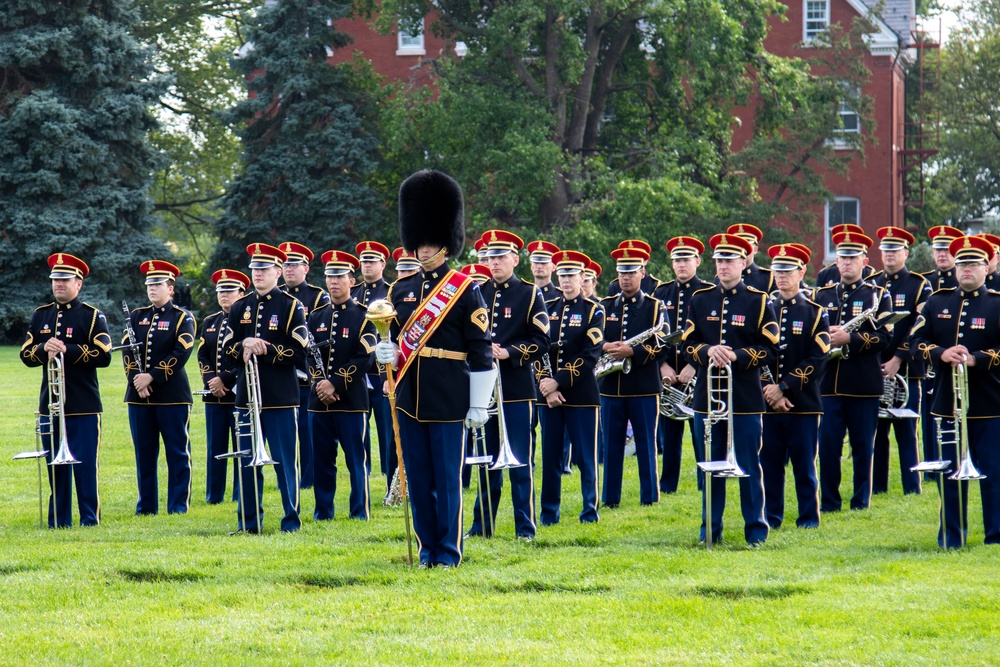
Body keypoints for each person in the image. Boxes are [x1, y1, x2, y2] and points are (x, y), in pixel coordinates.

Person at [376, 170, 493, 568]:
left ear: (445, 242)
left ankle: (449, 551)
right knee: (419, 481)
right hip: (409, 397)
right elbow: (391, 341)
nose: (422, 250)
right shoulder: (400, 290)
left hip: (448, 396)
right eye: (418, 243)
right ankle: (427, 549)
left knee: (447, 481)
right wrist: (384, 355)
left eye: (429, 243)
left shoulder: (465, 287)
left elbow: (481, 350)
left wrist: (479, 404)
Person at [682, 233, 778, 546]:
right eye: (719, 261)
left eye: (729, 260)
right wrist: (708, 351)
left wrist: (736, 355)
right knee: (710, 464)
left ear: (743, 262)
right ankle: (709, 530)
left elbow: (770, 348)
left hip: (746, 397)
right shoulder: (700, 299)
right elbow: (686, 344)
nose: (723, 266)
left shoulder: (759, 301)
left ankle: (756, 532)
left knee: (749, 465)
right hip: (707, 398)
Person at [910, 234, 1000, 547]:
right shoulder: (937, 301)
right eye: (962, 263)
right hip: (948, 402)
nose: (966, 269)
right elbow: (914, 342)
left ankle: (996, 536)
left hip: (989, 403)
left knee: (994, 475)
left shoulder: (997, 303)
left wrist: (979, 359)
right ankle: (952, 536)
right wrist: (939, 353)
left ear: (987, 267)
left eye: (974, 263)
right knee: (949, 474)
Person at [464, 230, 549, 540]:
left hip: (515, 389)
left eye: (500, 256)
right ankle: (482, 525)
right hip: (483, 389)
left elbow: (541, 341)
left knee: (519, 461)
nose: (494, 262)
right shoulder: (477, 292)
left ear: (515, 259)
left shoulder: (529, 294)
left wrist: (508, 352)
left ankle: (525, 527)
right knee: (487, 460)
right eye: (489, 256)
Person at [222, 243, 309, 533]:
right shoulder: (239, 306)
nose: (257, 274)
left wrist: (264, 348)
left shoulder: (290, 306)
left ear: (278, 271)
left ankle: (291, 522)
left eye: (264, 269)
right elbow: (226, 351)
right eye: (254, 269)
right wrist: (243, 344)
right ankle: (249, 523)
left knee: (285, 463)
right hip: (247, 397)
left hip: (280, 397)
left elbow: (299, 352)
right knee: (247, 463)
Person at [20, 253, 112, 527]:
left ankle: (89, 519)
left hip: (84, 405)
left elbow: (104, 355)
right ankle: (58, 520)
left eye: (65, 279)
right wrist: (42, 349)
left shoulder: (92, 316)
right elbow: (26, 355)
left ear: (78, 283)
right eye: (55, 279)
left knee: (84, 467)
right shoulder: (41, 315)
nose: (58, 284)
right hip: (51, 404)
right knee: (55, 467)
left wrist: (67, 350)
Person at [813, 231, 892, 512]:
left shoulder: (877, 296)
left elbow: (884, 337)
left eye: (852, 257)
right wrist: (825, 336)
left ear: (864, 261)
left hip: (863, 384)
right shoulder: (820, 295)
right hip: (828, 385)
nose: (846, 263)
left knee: (863, 447)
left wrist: (850, 339)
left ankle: (861, 501)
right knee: (828, 447)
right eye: (842, 257)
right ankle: (830, 503)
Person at [759, 243, 829, 529]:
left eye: (787, 270)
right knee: (770, 465)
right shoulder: (764, 308)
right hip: (767, 402)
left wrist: (784, 388)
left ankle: (808, 519)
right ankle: (772, 518)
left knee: (804, 466)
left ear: (801, 272)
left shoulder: (815, 312)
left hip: (803, 403)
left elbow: (819, 357)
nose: (781, 276)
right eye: (777, 270)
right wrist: (769, 390)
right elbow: (758, 352)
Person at [537, 250, 605, 525]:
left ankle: (589, 512)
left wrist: (559, 381)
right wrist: (548, 387)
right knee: (551, 458)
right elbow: (538, 349)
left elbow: (591, 354)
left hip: (582, 395)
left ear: (582, 277)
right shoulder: (547, 308)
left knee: (585, 458)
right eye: (562, 275)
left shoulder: (594, 310)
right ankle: (548, 514)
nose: (566, 280)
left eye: (572, 275)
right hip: (548, 396)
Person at [308, 250, 378, 521]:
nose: (333, 282)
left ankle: (360, 511)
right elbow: (308, 354)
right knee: (321, 461)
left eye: (339, 276)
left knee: (355, 460)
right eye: (329, 276)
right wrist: (320, 385)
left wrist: (334, 384)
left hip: (351, 399)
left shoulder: (365, 315)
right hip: (319, 401)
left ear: (352, 280)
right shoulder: (316, 316)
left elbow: (365, 356)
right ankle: (323, 512)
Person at [123, 260, 196, 515]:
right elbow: (126, 353)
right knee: (144, 454)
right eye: (149, 284)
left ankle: (178, 506)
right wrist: (137, 381)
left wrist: (151, 377)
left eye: (158, 284)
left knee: (177, 453)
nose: (152, 288)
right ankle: (146, 507)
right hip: (138, 397)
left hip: (172, 396)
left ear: (171, 288)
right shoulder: (136, 316)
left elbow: (182, 351)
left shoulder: (182, 317)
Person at [599, 246, 666, 508]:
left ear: (642, 273)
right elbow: (593, 338)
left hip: (644, 387)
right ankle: (610, 498)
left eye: (631, 272)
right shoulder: (604, 305)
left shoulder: (655, 307)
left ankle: (649, 497)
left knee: (646, 444)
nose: (625, 278)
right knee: (610, 445)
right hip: (611, 387)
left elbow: (664, 345)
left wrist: (632, 351)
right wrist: (606, 347)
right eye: (622, 273)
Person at [872, 227, 930, 496]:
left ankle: (912, 488)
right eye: (886, 250)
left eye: (895, 250)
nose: (890, 255)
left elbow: (918, 327)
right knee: (877, 431)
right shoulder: (871, 284)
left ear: (906, 253)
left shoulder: (919, 285)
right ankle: (878, 488)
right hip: (874, 368)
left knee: (906, 429)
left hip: (906, 369)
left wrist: (898, 358)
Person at [653, 236, 710, 493]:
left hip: (697, 373)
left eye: (686, 259)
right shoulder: (661, 293)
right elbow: (653, 334)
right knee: (670, 433)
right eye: (677, 260)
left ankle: (703, 481)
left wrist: (694, 365)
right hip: (668, 375)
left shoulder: (709, 292)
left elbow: (712, 334)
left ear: (697, 261)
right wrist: (663, 365)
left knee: (699, 432)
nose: (681, 265)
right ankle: (667, 486)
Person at [279, 241, 330, 491]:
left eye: (294, 264)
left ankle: (309, 478)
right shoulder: (277, 295)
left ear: (306, 268)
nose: (289, 269)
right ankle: (287, 476)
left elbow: (318, 335)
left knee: (308, 432)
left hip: (308, 374)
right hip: (284, 371)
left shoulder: (318, 296)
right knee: (286, 431)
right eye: (285, 264)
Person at [198, 269, 250, 504]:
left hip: (240, 393)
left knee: (242, 447)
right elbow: (203, 354)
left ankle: (241, 493)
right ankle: (214, 495)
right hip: (214, 395)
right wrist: (211, 380)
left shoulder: (247, 320)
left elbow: (246, 358)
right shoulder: (210, 321)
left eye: (229, 291)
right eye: (220, 291)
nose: (224, 295)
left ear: (242, 293)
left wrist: (225, 379)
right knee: (214, 447)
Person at [918, 225, 963, 471]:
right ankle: (934, 464)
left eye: (947, 249)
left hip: (960, 364)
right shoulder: (925, 283)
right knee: (930, 418)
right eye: (938, 249)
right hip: (932, 362)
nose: (942, 254)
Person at [351, 241, 391, 480]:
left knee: (387, 426)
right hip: (359, 372)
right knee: (360, 427)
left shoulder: (390, 292)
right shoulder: (354, 294)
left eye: (371, 261)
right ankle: (363, 471)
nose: (366, 265)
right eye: (364, 262)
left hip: (382, 371)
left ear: (382, 264)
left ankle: (388, 471)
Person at [726, 224, 774, 293]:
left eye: (746, 247)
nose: (742, 251)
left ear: (755, 250)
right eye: (738, 247)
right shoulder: (722, 277)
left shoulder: (768, 278)